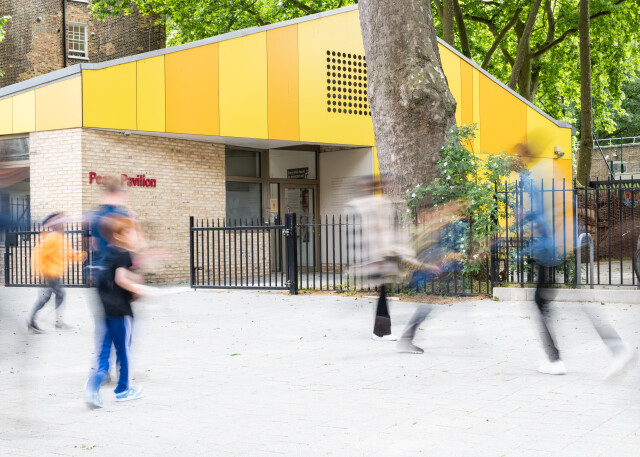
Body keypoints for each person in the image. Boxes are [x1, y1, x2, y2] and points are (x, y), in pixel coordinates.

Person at [517, 143, 633, 376]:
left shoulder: (532, 179)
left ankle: (558, 359)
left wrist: (526, 226)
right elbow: (569, 207)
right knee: (557, 302)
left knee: (543, 303)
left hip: (549, 249)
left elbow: (539, 218)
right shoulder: (554, 173)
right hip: (563, 244)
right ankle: (613, 348)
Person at [83, 215, 159, 408]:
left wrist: (135, 280)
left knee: (104, 354)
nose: (136, 235)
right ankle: (124, 390)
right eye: (132, 232)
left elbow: (108, 279)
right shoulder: (124, 254)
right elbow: (121, 279)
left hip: (106, 313)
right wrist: (141, 289)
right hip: (121, 313)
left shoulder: (107, 253)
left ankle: (92, 387)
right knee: (124, 351)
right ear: (119, 236)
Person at [347, 176, 414, 341]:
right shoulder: (360, 206)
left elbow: (387, 231)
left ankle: (381, 331)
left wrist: (399, 250)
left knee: (384, 291)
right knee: (383, 291)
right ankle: (381, 332)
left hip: (383, 255)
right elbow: (365, 235)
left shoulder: (379, 203)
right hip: (375, 257)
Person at [28, 212, 87, 333]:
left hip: (54, 272)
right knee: (55, 295)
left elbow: (66, 252)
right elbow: (38, 255)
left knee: (49, 297)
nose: (63, 224)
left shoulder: (60, 237)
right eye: (60, 222)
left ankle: (48, 321)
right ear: (54, 225)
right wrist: (37, 272)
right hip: (48, 273)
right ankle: (43, 321)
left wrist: (78, 255)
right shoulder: (51, 238)